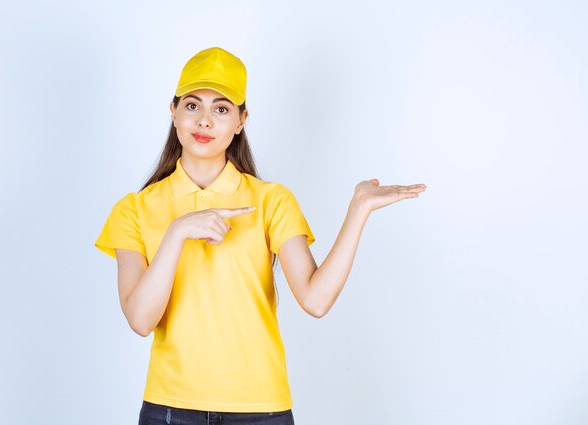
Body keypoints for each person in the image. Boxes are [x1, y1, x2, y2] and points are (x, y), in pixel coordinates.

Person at [94, 46, 426, 425]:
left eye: (221, 109)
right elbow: (140, 320)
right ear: (173, 112)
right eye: (192, 106)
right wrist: (178, 232)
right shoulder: (134, 209)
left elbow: (316, 300)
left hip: (260, 410)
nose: (204, 121)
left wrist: (359, 210)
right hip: (170, 407)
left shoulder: (271, 200)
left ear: (240, 120)